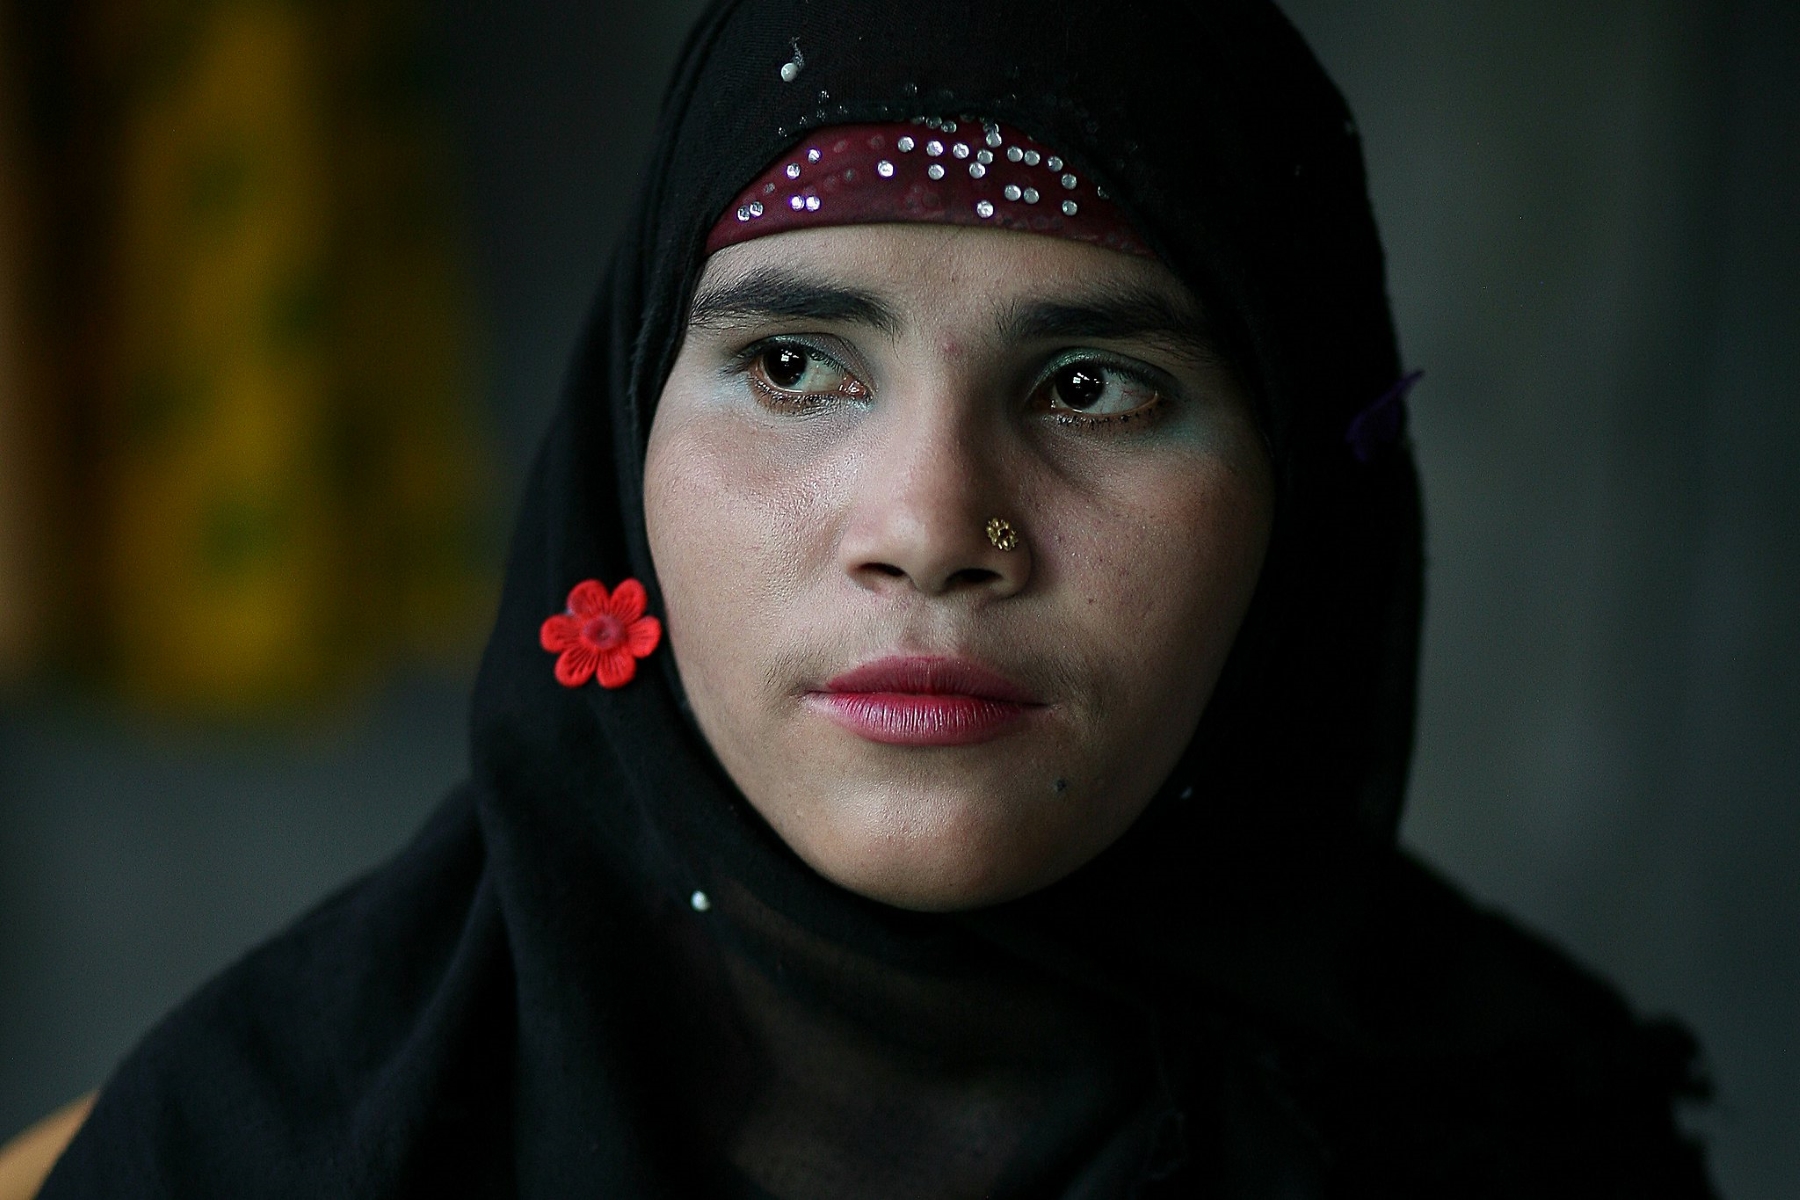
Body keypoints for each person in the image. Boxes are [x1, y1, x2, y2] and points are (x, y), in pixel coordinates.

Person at [7, 0, 1718, 1195]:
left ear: (1300, 514)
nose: (927, 525)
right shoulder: (270, 1147)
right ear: (624, 447)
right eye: (796, 361)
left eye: (1095, 387)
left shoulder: (1517, 1139)